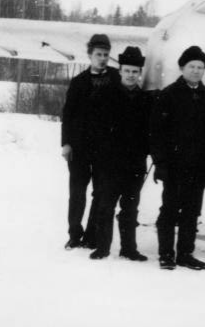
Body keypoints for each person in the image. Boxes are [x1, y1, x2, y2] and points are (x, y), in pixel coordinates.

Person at [150, 46, 205, 270]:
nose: (196, 71)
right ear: (182, 68)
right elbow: (156, 133)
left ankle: (185, 254)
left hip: (199, 168)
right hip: (174, 166)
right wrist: (160, 163)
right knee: (170, 209)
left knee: (192, 211)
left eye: (200, 67)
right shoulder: (168, 96)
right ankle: (166, 254)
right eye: (192, 66)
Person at [89, 46, 154, 261]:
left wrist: (146, 150)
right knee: (106, 205)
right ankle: (102, 247)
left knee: (130, 207)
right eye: (127, 71)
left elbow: (150, 130)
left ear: (140, 73)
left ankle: (129, 249)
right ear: (120, 71)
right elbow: (95, 128)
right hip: (110, 162)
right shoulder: (105, 95)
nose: (131, 75)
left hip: (135, 163)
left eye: (135, 72)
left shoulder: (146, 100)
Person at [61, 33, 119, 249]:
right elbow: (68, 114)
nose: (102, 58)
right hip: (80, 147)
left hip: (105, 147)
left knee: (101, 192)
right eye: (98, 54)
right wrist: (66, 143)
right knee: (77, 192)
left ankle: (92, 235)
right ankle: (74, 234)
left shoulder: (116, 78)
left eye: (105, 55)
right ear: (90, 55)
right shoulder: (79, 82)